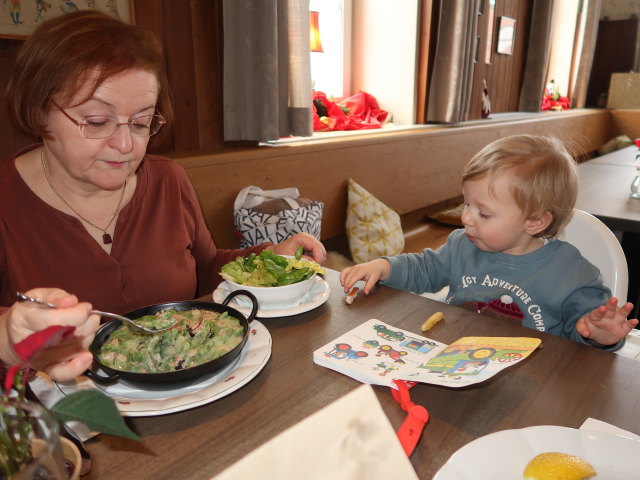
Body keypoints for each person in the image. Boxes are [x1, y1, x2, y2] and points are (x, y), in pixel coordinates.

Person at [0, 11, 326, 382]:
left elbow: (205, 271)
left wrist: (269, 257)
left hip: (189, 398)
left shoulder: (168, 180)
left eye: (141, 123)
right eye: (96, 121)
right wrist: (7, 341)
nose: (124, 145)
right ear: (38, 109)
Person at [340, 134, 638, 350]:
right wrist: (384, 266)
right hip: (451, 357)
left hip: (530, 381)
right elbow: (424, 269)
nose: (467, 218)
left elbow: (582, 340)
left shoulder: (572, 274)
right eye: (466, 204)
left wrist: (599, 334)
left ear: (535, 221)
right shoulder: (463, 244)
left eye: (483, 212)